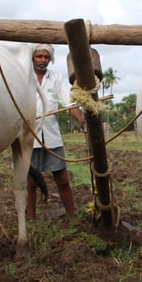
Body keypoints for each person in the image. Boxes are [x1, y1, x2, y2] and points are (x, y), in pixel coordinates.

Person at [27, 43, 85, 221]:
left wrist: (82, 121)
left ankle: (72, 217)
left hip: (52, 137)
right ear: (32, 57)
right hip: (28, 137)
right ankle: (30, 220)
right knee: (30, 183)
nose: (43, 60)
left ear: (50, 59)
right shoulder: (23, 77)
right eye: (39, 56)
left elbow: (69, 104)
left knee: (62, 180)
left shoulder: (56, 78)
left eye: (46, 57)